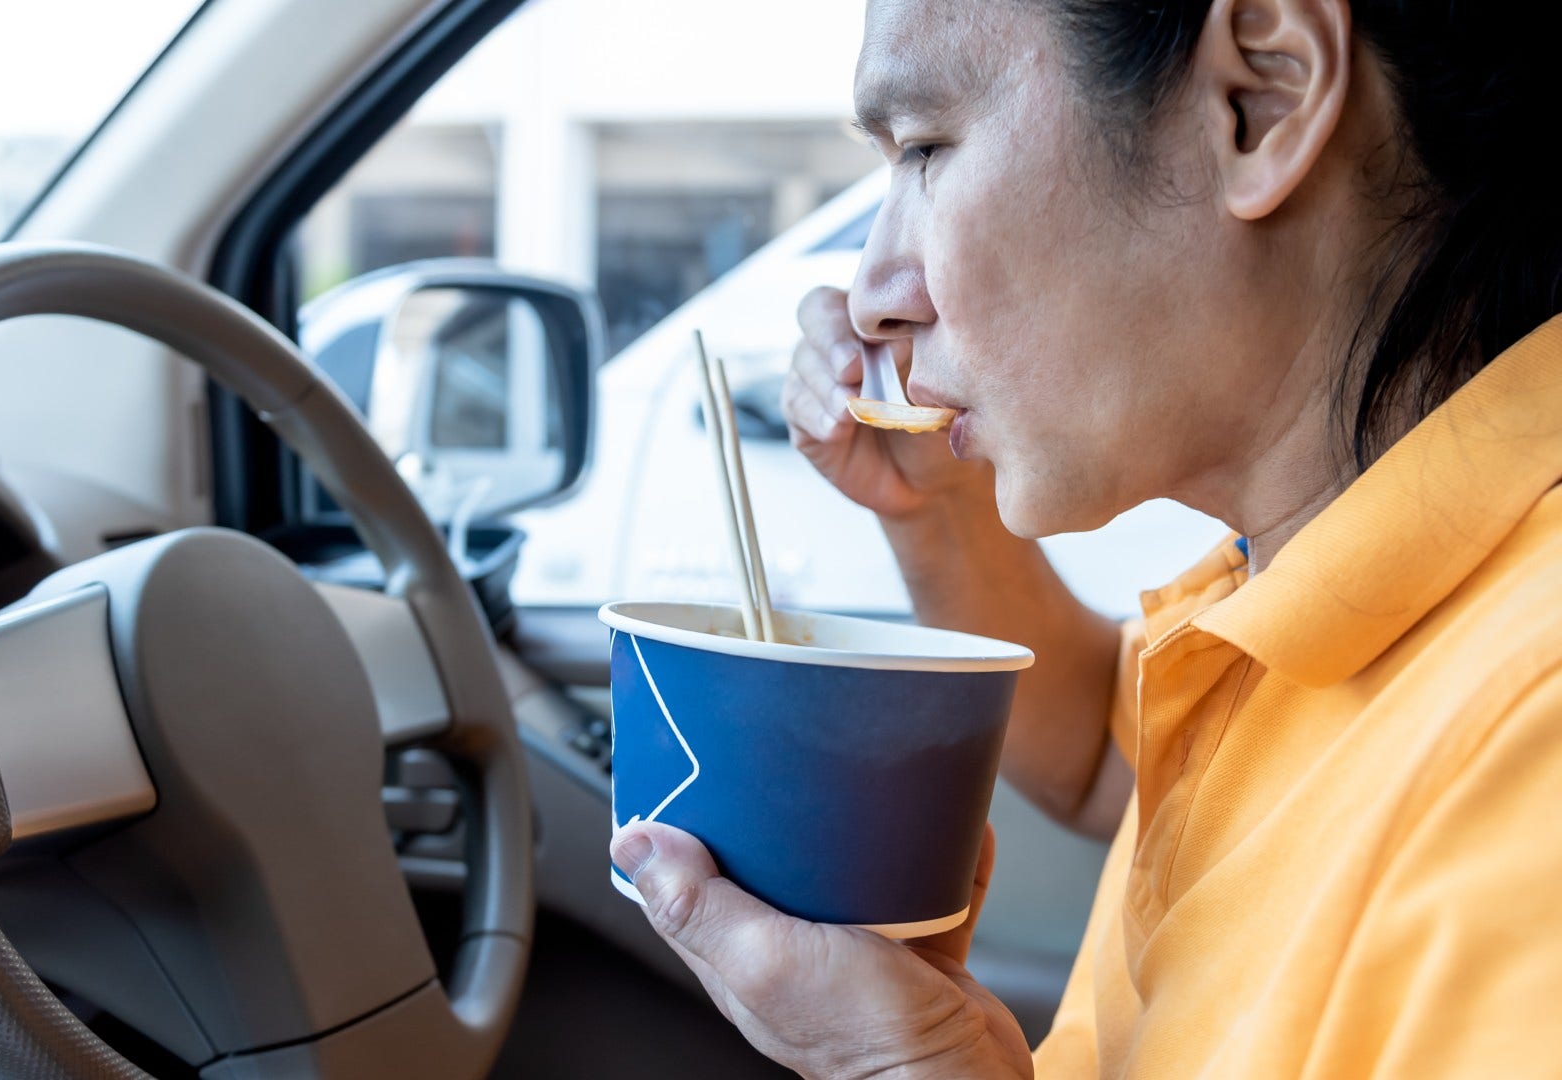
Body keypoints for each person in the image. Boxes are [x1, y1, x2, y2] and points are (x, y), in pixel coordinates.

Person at [608, 0, 1562, 1075]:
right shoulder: (1309, 569)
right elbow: (1117, 764)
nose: (869, 296)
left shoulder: (1531, 754)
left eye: (926, 147)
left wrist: (909, 1068)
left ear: (1263, 98)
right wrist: (935, 508)